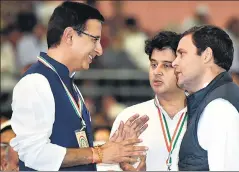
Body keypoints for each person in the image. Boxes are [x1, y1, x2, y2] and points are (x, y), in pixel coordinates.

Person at [10, 2, 149, 171]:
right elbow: (34, 154)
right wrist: (98, 153)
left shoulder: (68, 83)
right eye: (94, 40)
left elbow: (73, 146)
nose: (99, 50)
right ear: (69, 36)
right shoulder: (35, 82)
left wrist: (112, 149)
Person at [172, 25, 239, 170]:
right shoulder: (214, 101)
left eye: (182, 54)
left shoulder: (219, 108)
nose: (174, 62)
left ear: (206, 55)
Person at [107, 31, 187, 171]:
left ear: (182, 68)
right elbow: (109, 167)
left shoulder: (203, 115)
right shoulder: (129, 118)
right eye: (153, 64)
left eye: (167, 65)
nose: (157, 72)